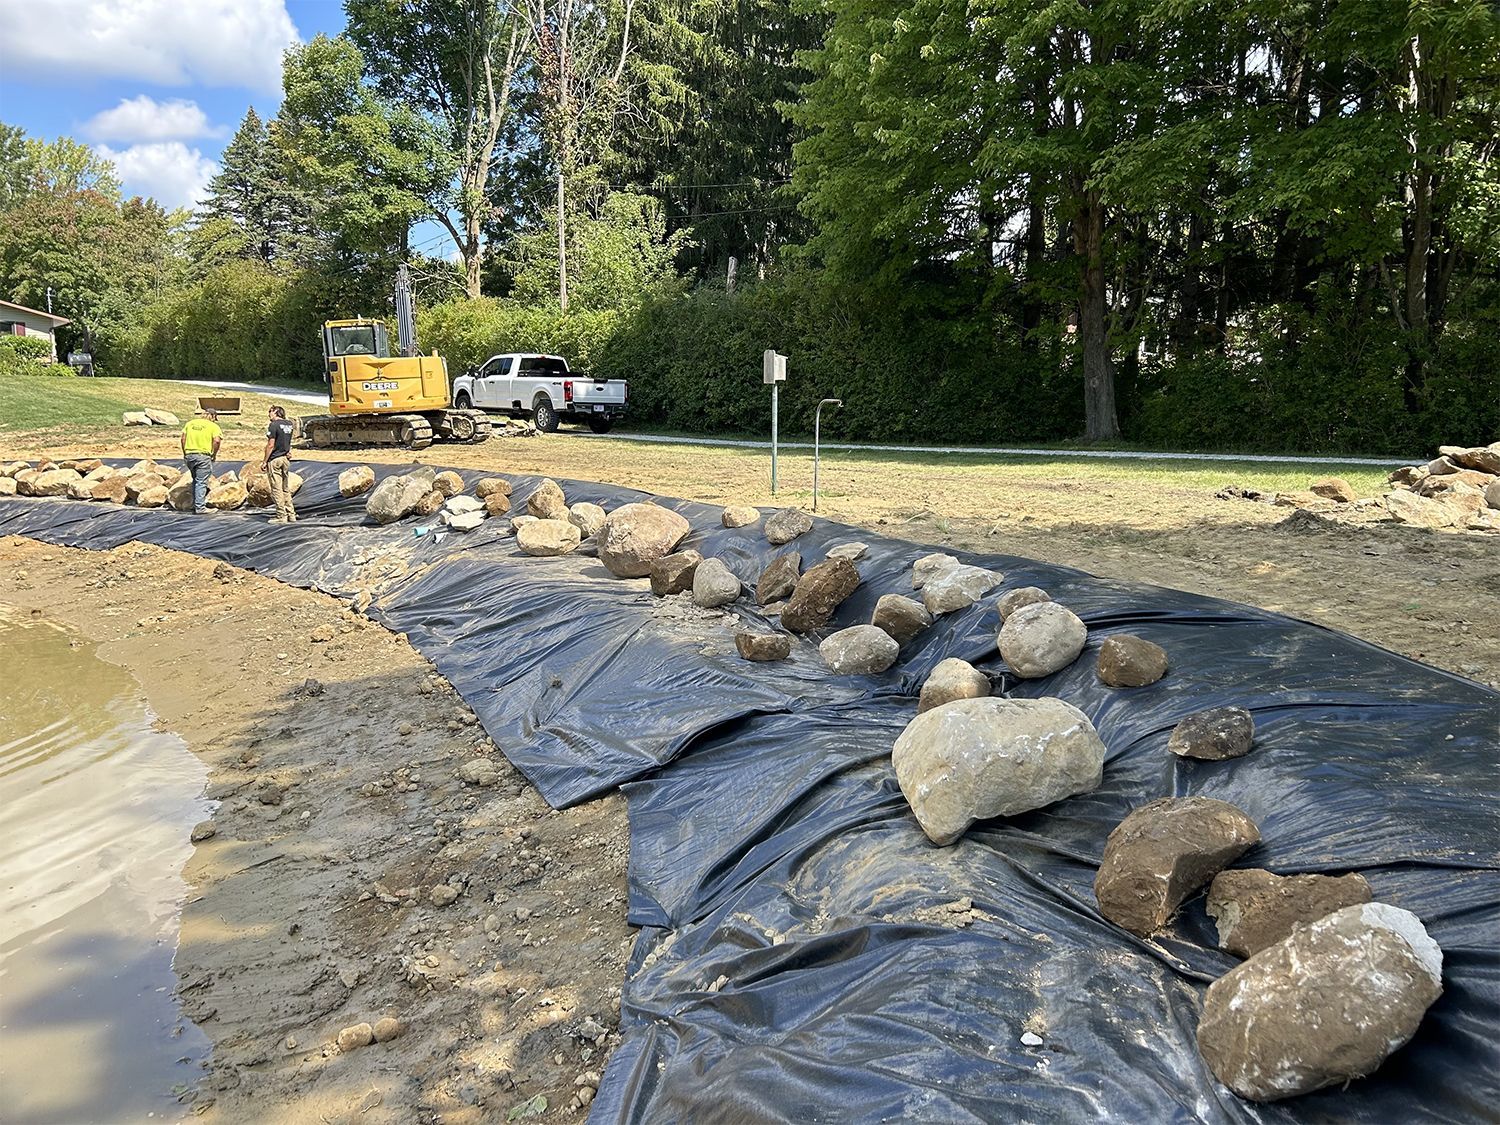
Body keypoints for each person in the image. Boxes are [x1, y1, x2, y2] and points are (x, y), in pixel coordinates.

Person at [180, 409, 222, 514]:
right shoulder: (213, 426)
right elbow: (217, 440)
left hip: (189, 455)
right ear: (212, 416)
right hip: (203, 456)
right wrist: (214, 453)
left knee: (195, 480)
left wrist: (185, 452)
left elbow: (183, 438)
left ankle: (195, 504)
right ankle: (200, 508)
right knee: (201, 482)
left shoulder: (190, 424)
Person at [262, 406, 297, 523]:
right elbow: (287, 441)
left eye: (270, 412)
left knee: (277, 489)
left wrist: (265, 461)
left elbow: (271, 445)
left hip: (275, 459)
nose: (269, 415)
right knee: (285, 488)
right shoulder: (289, 424)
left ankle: (281, 515)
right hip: (285, 458)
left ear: (276, 412)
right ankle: (291, 514)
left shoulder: (274, 425)